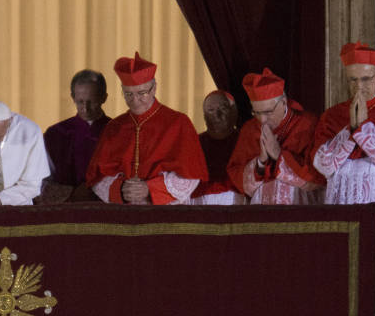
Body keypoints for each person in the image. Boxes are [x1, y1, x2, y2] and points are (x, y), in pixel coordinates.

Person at [85, 52, 207, 205]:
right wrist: (121, 189)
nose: (135, 100)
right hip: (123, 212)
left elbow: (190, 175)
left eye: (142, 93)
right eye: (128, 94)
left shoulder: (178, 122)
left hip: (165, 211)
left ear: (154, 88)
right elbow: (99, 176)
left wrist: (149, 188)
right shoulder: (114, 127)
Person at [226, 68, 323, 205]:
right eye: (257, 113)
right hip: (261, 209)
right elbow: (240, 182)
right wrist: (261, 162)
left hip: (299, 206)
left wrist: (278, 155)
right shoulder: (249, 129)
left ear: (283, 102)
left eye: (268, 112)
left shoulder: (308, 124)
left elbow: (315, 179)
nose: (263, 119)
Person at [313, 42, 375, 208]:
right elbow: (323, 166)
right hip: (340, 205)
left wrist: (363, 128)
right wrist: (350, 131)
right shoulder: (331, 116)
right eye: (353, 80)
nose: (359, 87)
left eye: (366, 79)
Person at [37, 69, 110, 204]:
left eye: (91, 101)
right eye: (80, 101)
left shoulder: (118, 131)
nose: (85, 108)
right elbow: (40, 180)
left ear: (104, 98)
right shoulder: (56, 134)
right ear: (72, 97)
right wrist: (72, 193)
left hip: (108, 209)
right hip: (66, 209)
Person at [187, 90, 246, 205]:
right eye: (211, 110)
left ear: (233, 112)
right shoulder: (194, 143)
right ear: (204, 116)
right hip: (201, 205)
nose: (217, 115)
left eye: (223, 109)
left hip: (237, 203)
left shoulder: (245, 141)